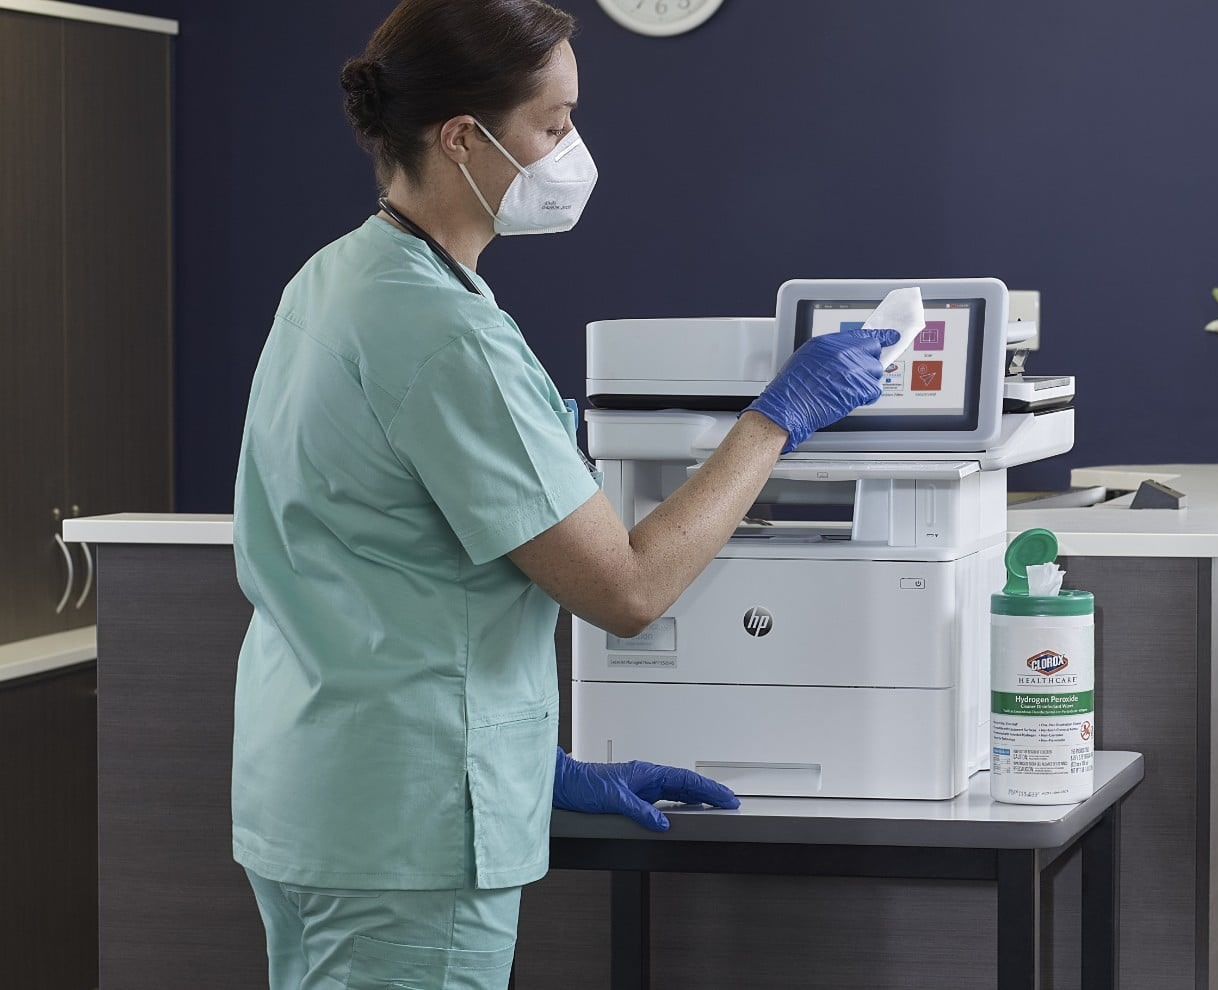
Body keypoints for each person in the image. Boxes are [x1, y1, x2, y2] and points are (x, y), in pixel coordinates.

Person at [230, 2, 896, 985]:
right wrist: (777, 421)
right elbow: (627, 589)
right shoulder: (444, 334)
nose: (573, 151)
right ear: (463, 137)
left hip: (322, 792)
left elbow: (367, 564)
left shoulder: (340, 280)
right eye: (553, 125)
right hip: (406, 837)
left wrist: (532, 767)